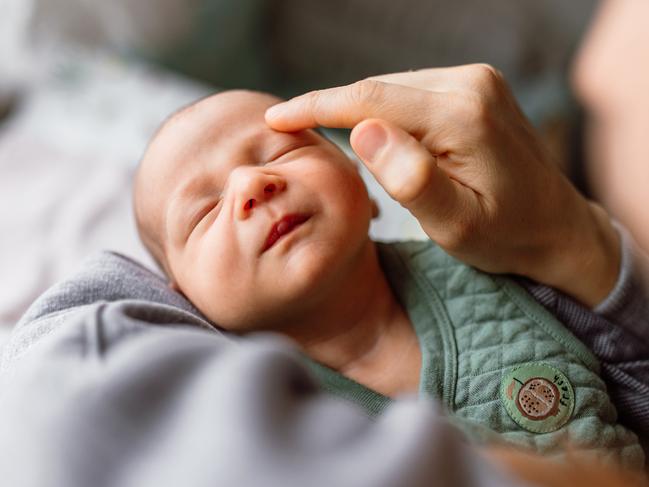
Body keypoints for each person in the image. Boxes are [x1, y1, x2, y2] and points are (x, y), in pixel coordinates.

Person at [132, 87, 643, 467]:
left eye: (280, 153)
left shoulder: (491, 266)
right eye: (203, 212)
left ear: (363, 178)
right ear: (184, 299)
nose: (252, 183)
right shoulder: (253, 414)